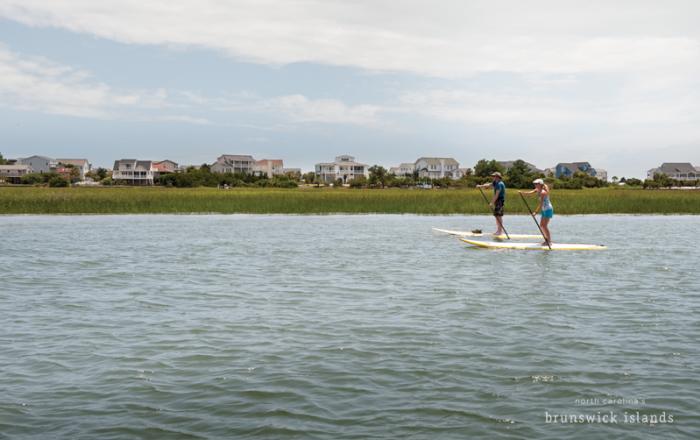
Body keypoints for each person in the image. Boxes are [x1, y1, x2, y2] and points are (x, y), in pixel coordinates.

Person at [519, 178, 553, 245]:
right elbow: (529, 193)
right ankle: (546, 240)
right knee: (542, 225)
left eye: (536, 184)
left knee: (544, 226)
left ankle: (549, 241)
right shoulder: (537, 190)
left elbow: (541, 204)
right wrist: (522, 193)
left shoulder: (543, 192)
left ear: (540, 184)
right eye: (535, 183)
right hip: (544, 209)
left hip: (548, 209)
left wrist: (535, 212)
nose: (535, 185)